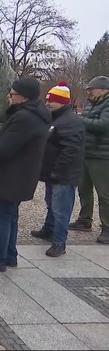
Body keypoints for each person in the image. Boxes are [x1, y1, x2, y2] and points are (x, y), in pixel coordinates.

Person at [0, 77, 51, 272]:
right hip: (21, 175)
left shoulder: (25, 118)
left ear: (24, 97)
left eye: (12, 93)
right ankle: (9, 255)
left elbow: (6, 149)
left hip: (12, 176)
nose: (9, 96)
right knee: (10, 215)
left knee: (1, 216)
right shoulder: (35, 114)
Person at [30, 82, 85, 257]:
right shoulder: (56, 118)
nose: (47, 103)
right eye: (47, 100)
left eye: (51, 100)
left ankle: (59, 242)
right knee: (51, 205)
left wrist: (57, 171)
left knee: (61, 209)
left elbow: (70, 151)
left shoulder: (71, 121)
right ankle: (48, 229)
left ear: (62, 102)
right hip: (53, 173)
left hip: (63, 175)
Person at [68, 76, 109, 244]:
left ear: (102, 89)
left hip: (102, 156)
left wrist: (80, 120)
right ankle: (84, 220)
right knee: (84, 189)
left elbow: (103, 124)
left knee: (104, 193)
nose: (89, 92)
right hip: (86, 152)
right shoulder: (93, 104)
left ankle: (107, 228)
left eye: (91, 89)